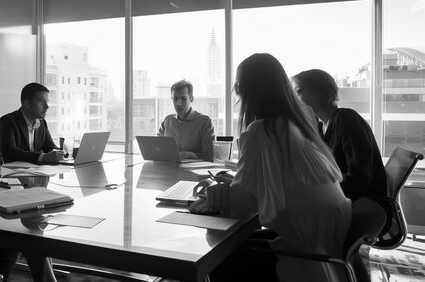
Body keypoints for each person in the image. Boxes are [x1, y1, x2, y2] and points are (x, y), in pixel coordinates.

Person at [192, 54, 351, 282]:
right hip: (323, 250)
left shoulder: (261, 131)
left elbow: (241, 209)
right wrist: (241, 184)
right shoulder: (300, 122)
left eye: (238, 86)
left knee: (214, 248)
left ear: (247, 90)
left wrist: (218, 192)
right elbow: (286, 181)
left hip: (302, 257)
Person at [292, 69, 387, 201]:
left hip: (363, 203)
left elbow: (360, 177)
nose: (295, 98)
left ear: (321, 92)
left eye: (299, 91)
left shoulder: (346, 118)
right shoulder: (320, 127)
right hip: (345, 198)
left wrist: (322, 195)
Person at [0, 82, 63, 163]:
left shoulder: (42, 123)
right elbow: (9, 154)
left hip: (36, 173)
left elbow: (50, 147)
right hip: (14, 174)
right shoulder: (7, 121)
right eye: (42, 102)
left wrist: (56, 152)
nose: (47, 106)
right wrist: (43, 157)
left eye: (47, 102)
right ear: (27, 104)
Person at [157, 80, 215, 161]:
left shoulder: (205, 121)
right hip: (169, 168)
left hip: (194, 171)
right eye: (175, 98)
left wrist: (190, 155)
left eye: (183, 99)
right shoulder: (167, 121)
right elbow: (157, 149)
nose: (178, 103)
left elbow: (209, 155)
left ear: (191, 99)